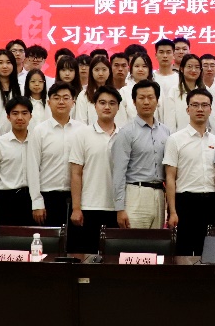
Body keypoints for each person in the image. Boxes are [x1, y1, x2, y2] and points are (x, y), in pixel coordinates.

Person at [164, 88, 215, 255]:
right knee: (183, 254)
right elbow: (170, 178)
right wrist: (172, 211)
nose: (200, 109)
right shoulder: (175, 139)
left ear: (210, 109)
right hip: (185, 203)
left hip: (211, 202)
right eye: (195, 105)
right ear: (188, 109)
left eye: (204, 105)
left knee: (210, 255)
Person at [68, 86, 121, 253]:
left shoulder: (125, 136)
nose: (107, 107)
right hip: (88, 207)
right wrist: (76, 208)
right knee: (86, 258)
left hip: (116, 208)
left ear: (118, 107)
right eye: (102, 103)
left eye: (112, 103)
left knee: (113, 259)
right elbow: (76, 173)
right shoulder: (82, 134)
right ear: (95, 106)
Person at [112, 80, 171, 229]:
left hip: (159, 194)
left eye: (150, 97)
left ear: (157, 100)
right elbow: (119, 172)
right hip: (135, 194)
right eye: (141, 98)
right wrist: (120, 208)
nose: (146, 102)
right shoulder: (126, 132)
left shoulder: (166, 132)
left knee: (157, 241)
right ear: (134, 101)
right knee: (134, 241)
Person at [27, 83, 85, 227]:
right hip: (47, 197)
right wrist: (37, 202)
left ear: (73, 102)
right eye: (56, 98)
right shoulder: (39, 131)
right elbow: (32, 167)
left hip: (77, 198)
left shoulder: (82, 130)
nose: (61, 102)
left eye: (66, 98)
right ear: (49, 102)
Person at [0, 97, 34, 226]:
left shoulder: (37, 142)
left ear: (30, 116)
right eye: (15, 113)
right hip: (6, 199)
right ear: (8, 117)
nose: (20, 117)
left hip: (32, 198)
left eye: (24, 113)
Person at [160, 53, 204, 132]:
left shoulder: (206, 91)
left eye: (197, 67)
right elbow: (170, 122)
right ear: (182, 69)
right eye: (189, 66)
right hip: (180, 137)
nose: (193, 70)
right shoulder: (174, 91)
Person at [74, 55, 111, 126]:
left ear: (109, 72)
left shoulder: (116, 94)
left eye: (104, 69)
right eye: (97, 70)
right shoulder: (84, 95)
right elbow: (80, 123)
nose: (100, 73)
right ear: (91, 72)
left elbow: (120, 121)